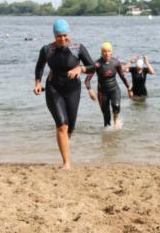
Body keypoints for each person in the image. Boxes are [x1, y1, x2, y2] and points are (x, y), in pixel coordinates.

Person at [34, 19, 94, 169]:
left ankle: (64, 147)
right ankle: (66, 163)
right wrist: (37, 83)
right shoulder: (47, 50)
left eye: (65, 35)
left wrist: (80, 69)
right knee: (62, 125)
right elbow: (39, 66)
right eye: (59, 36)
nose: (62, 39)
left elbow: (93, 66)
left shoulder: (78, 48)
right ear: (54, 36)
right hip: (53, 89)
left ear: (69, 34)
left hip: (73, 90)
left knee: (71, 126)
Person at [85, 42, 132, 129]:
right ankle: (107, 139)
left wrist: (129, 88)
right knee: (106, 118)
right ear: (101, 52)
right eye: (104, 51)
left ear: (111, 52)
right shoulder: (96, 64)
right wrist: (90, 90)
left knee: (116, 106)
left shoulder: (116, 63)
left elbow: (122, 76)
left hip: (114, 89)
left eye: (108, 51)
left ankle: (116, 118)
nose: (106, 53)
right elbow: (87, 80)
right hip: (102, 93)